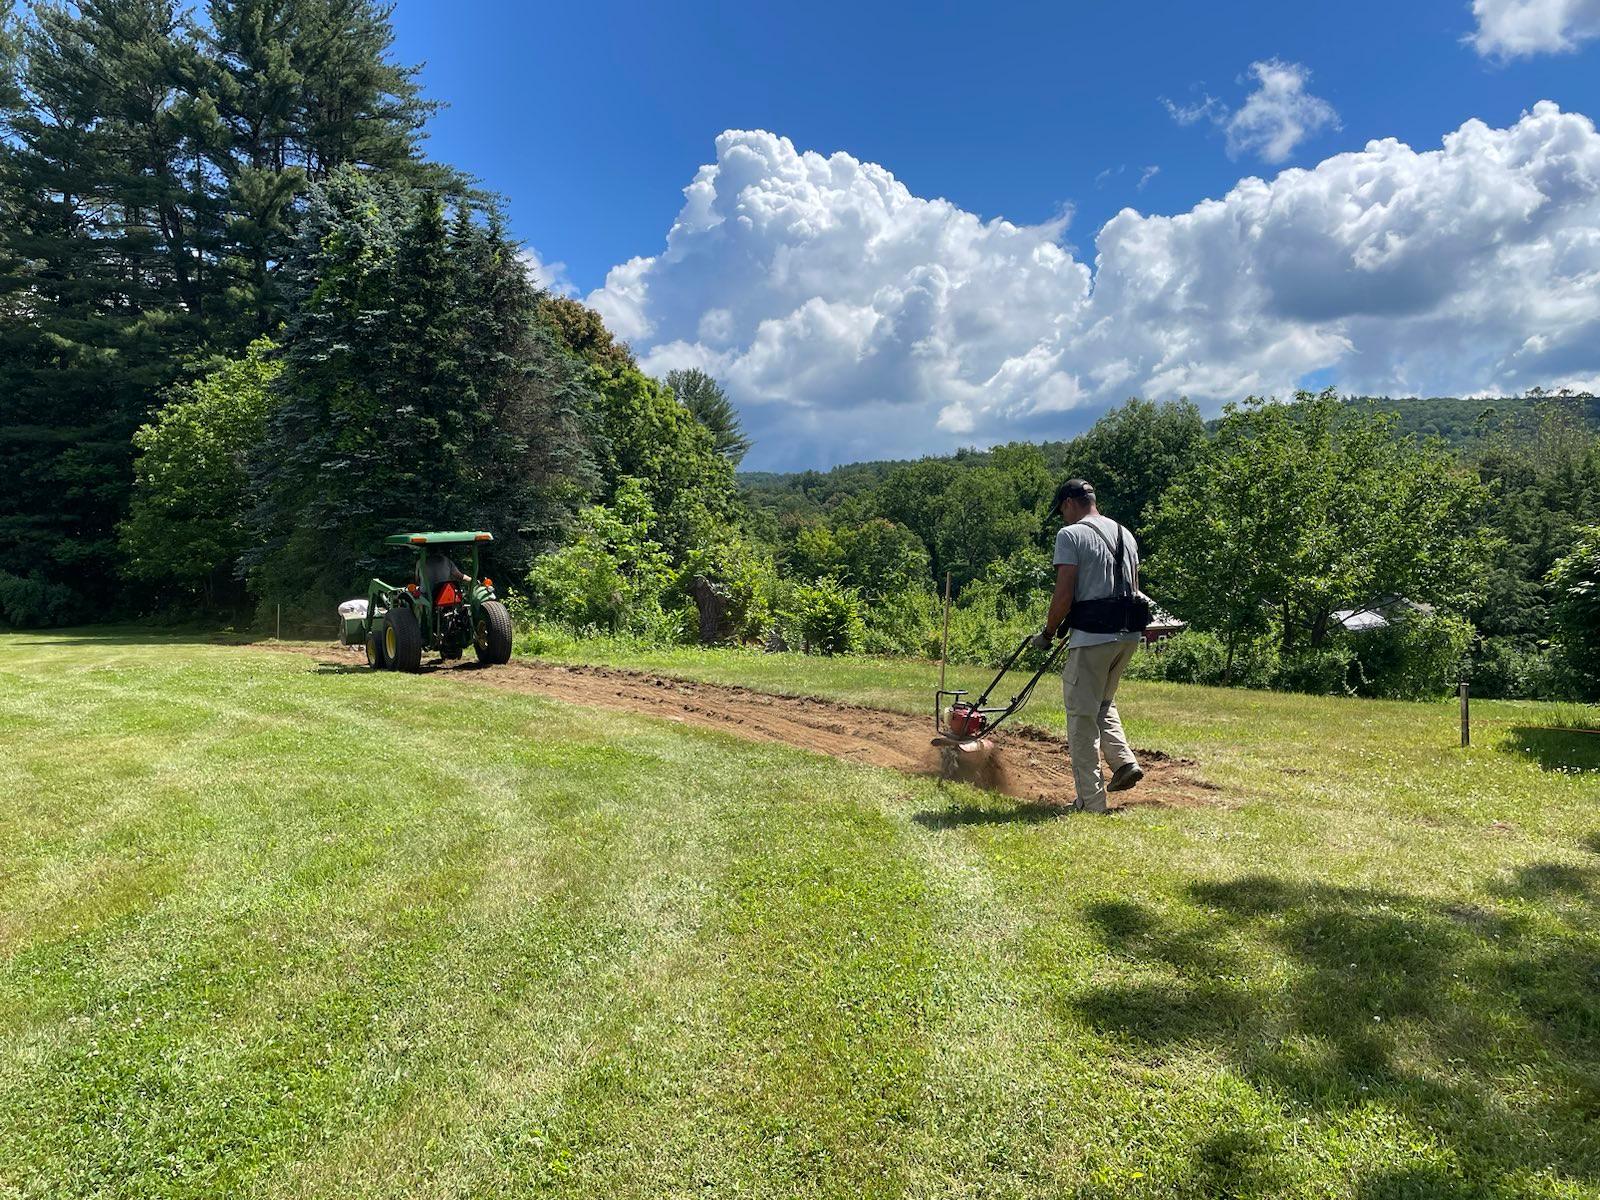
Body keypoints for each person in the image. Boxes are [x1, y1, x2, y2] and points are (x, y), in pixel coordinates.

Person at [1036, 478, 1144, 813]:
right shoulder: (1125, 533)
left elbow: (1064, 590)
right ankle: (1123, 761)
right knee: (1101, 703)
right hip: (1128, 635)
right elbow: (1133, 585)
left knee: (1081, 718)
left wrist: (1049, 631)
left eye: (1061, 511)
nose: (1062, 518)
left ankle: (1090, 803)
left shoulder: (1070, 535)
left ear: (1069, 503)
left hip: (1093, 636)